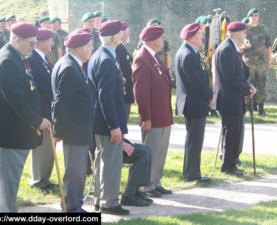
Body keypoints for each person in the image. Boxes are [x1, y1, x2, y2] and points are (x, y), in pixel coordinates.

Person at [0, 22, 51, 212]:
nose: (34, 47)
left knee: (9, 184)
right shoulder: (8, 60)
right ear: (17, 40)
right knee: (8, 185)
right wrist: (36, 120)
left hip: (15, 133)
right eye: (31, 43)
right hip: (10, 134)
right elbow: (16, 99)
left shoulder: (16, 57)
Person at [88, 20, 129, 215]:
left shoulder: (99, 55)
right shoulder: (106, 59)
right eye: (120, 33)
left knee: (102, 160)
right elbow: (105, 96)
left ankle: (100, 199)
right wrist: (114, 125)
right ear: (113, 37)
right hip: (107, 121)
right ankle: (110, 202)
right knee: (110, 162)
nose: (122, 36)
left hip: (100, 120)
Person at [51, 30, 94, 213]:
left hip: (78, 128)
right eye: (90, 45)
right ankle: (72, 207)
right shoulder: (69, 68)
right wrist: (58, 131)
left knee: (78, 170)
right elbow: (62, 103)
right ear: (79, 48)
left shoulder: (72, 64)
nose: (93, 48)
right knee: (75, 172)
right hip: (74, 130)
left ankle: (74, 204)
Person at [132, 24, 173, 198]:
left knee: (160, 150)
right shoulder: (142, 58)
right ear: (151, 40)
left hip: (162, 113)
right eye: (161, 37)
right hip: (153, 116)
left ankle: (155, 181)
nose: (164, 40)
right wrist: (145, 117)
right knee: (152, 150)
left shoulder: (154, 57)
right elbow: (140, 92)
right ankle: (147, 185)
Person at [214, 21, 256, 176]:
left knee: (234, 132)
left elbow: (240, 72)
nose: (245, 35)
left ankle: (231, 164)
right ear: (237, 33)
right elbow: (231, 77)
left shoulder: (233, 49)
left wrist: (248, 86)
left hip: (233, 98)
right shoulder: (226, 49)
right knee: (231, 133)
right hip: (228, 98)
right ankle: (227, 166)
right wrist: (247, 89)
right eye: (244, 33)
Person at [175, 23, 214, 182]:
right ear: (191, 38)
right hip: (194, 103)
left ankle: (192, 172)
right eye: (199, 35)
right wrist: (210, 94)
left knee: (194, 140)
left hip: (193, 102)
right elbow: (196, 82)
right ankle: (191, 174)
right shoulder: (188, 54)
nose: (202, 37)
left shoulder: (189, 52)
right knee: (194, 140)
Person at [27, 28, 56, 193]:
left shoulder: (43, 59)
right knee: (41, 148)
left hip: (48, 111)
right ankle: (38, 182)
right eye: (50, 40)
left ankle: (45, 179)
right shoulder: (32, 59)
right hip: (41, 112)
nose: (53, 43)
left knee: (49, 148)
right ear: (41, 42)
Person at [243, 8, 271, 116]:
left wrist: (269, 62)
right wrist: (243, 46)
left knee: (262, 85)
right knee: (247, 84)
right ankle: (248, 109)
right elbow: (239, 45)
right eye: (252, 16)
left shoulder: (264, 29)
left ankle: (261, 109)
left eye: (256, 15)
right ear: (249, 17)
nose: (254, 17)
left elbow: (268, 46)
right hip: (248, 63)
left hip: (261, 63)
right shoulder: (244, 29)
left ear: (258, 16)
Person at [121, 138, 152, 207]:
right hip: (110, 145)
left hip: (117, 140)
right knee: (143, 153)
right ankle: (128, 196)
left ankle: (135, 191)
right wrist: (121, 143)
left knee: (147, 148)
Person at [115, 22, 134, 121]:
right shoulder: (118, 48)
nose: (129, 34)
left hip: (126, 92)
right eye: (128, 32)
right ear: (121, 34)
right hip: (123, 92)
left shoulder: (122, 48)